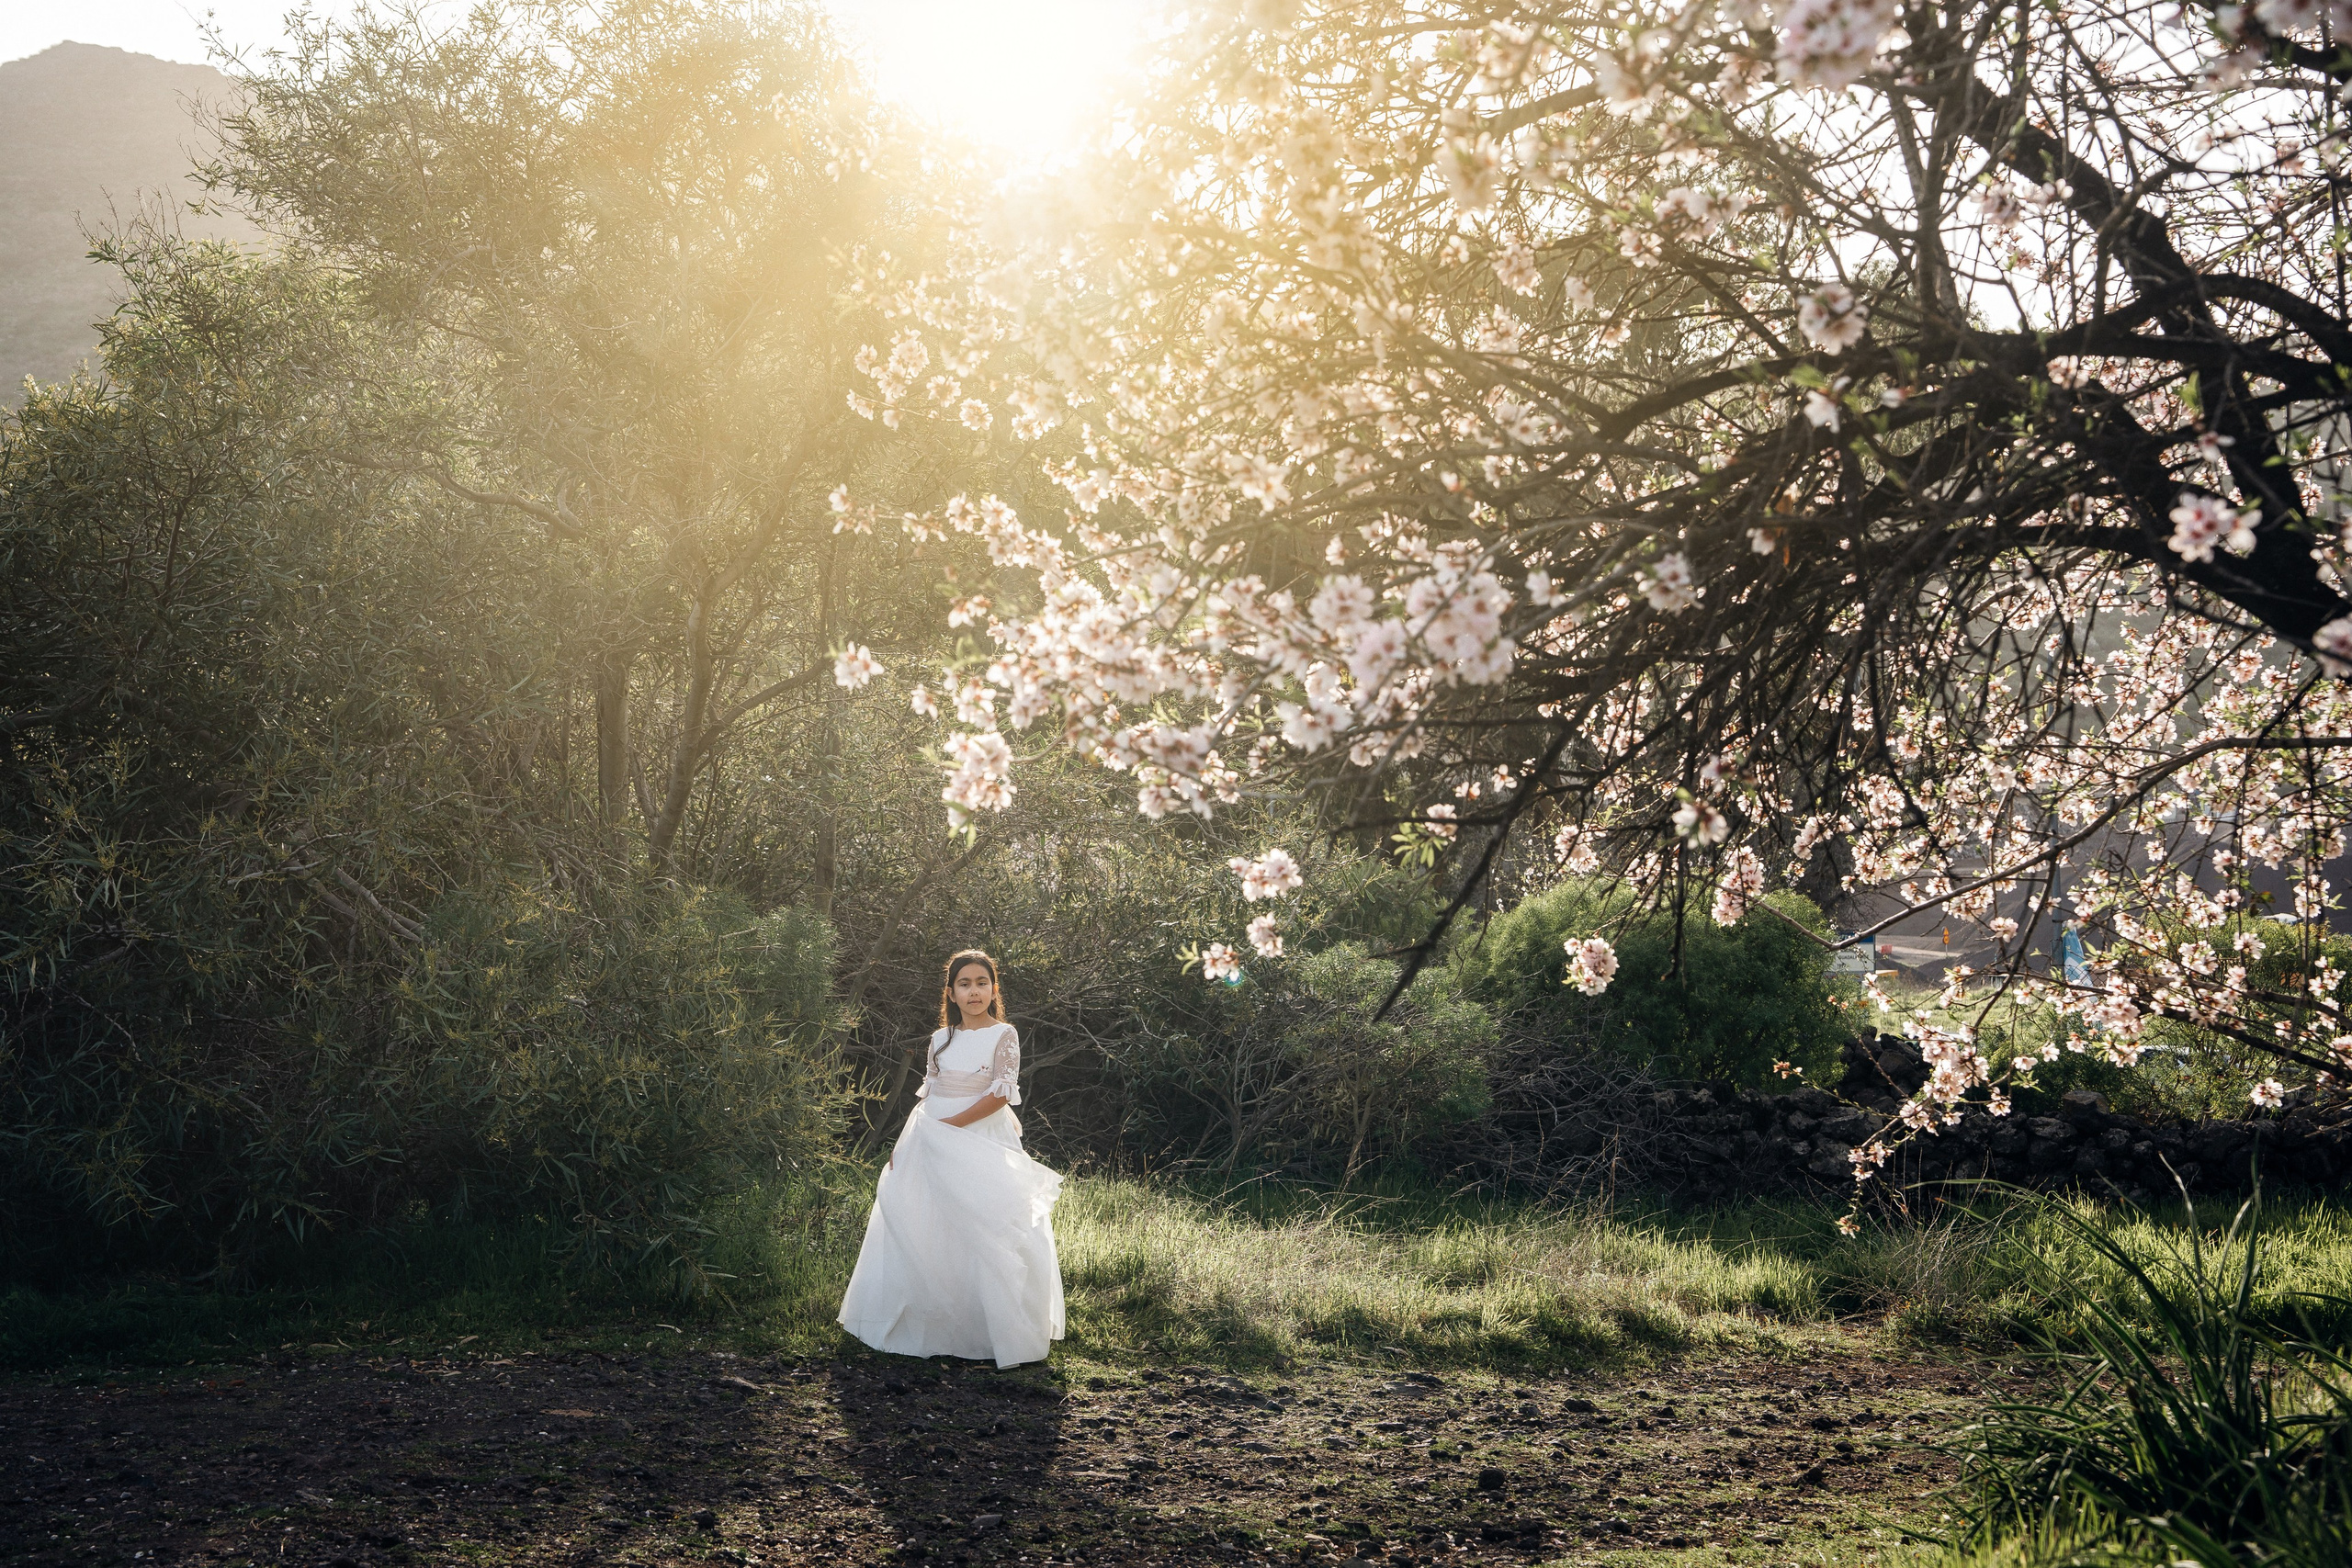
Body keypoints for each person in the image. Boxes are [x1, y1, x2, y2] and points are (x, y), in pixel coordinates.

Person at [836, 949, 1066, 1368]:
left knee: (985, 1223)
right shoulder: (940, 1040)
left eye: (981, 982)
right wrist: (906, 1142)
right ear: (952, 993)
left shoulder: (1004, 1034)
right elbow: (927, 1095)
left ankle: (991, 1328)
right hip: (932, 1131)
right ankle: (932, 1320)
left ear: (993, 990)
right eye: (964, 984)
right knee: (929, 1221)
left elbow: (999, 1094)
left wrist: (952, 1128)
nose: (974, 991)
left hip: (978, 1134)